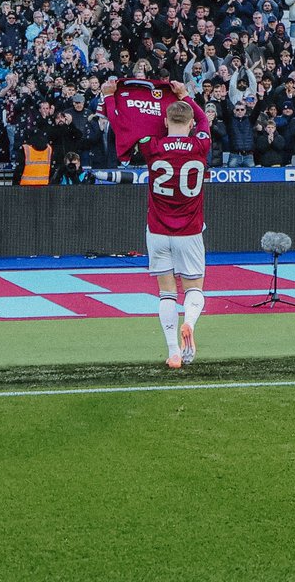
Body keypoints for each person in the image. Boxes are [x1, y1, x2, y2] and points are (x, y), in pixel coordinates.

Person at [102, 77, 210, 370]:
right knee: (194, 289)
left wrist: (110, 98)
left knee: (166, 292)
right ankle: (188, 323)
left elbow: (121, 125)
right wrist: (186, 96)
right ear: (188, 124)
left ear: (164, 120)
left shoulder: (153, 146)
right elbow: (203, 120)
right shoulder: (200, 144)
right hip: (189, 229)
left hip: (158, 229)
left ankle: (174, 351)